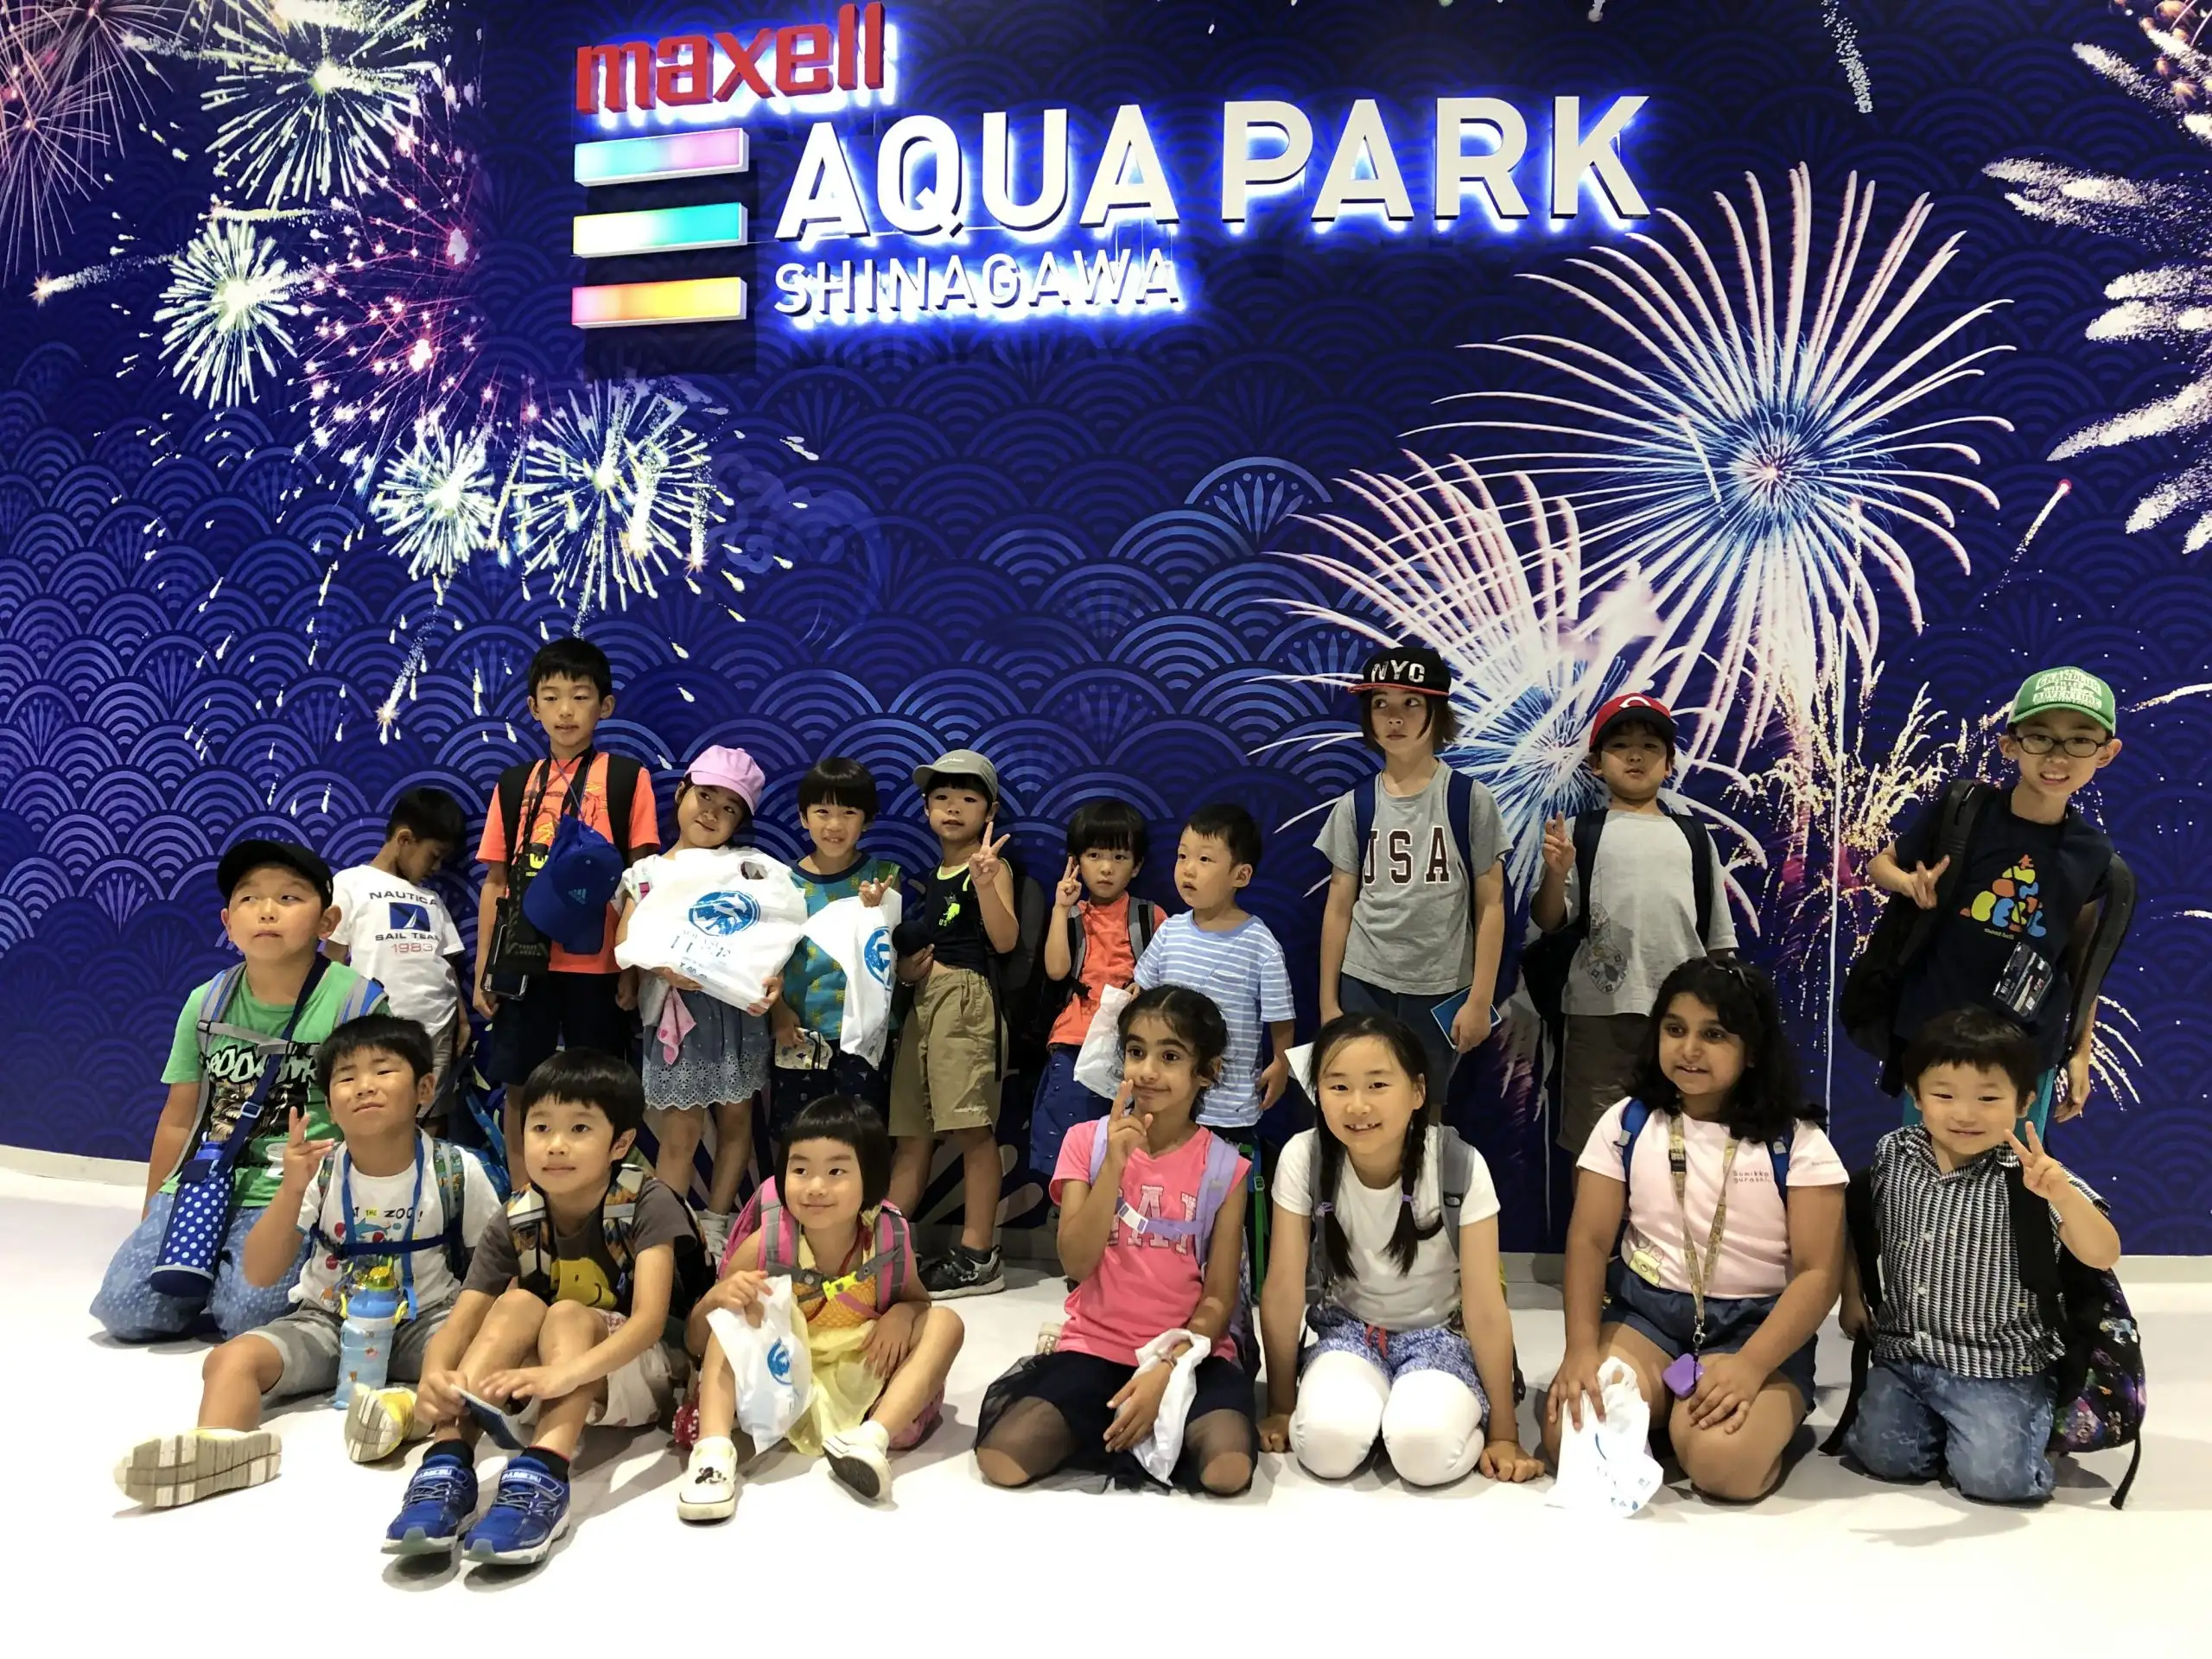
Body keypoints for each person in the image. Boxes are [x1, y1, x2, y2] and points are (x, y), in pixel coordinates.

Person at [112, 1015, 502, 1508]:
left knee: (477, 1363)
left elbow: (493, 1270)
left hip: (423, 1323)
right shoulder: (319, 1172)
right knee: (229, 1359)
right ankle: (221, 1445)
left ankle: (406, 1412)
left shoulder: (456, 1170)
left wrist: (475, 1336)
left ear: (425, 1087)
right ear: (331, 1107)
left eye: (383, 1072)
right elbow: (260, 1271)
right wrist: (293, 1186)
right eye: (346, 1077)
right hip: (325, 1321)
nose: (364, 1087)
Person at [381, 1050, 701, 1567]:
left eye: (579, 1128)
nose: (555, 1145)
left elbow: (647, 1324)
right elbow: (461, 1322)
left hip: (645, 1371)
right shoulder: (518, 1215)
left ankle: (546, 1471)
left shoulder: (646, 1201)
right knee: (516, 1303)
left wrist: (564, 1374)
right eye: (540, 1127)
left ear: (619, 1143)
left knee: (568, 1311)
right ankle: (447, 1461)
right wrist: (436, 1377)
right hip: (551, 1375)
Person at [1544, 957, 1845, 1503]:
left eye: (1714, 1035)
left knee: (1721, 1465)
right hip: (1647, 1318)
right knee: (1569, 1435)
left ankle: (1705, 1421)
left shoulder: (1797, 1142)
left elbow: (1819, 1275)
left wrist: (1753, 1366)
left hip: (1757, 1329)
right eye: (1675, 1029)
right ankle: (1665, 1410)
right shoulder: (1628, 1122)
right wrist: (1581, 1349)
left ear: (1751, 1050)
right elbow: (1588, 1242)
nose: (1689, 1049)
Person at [91, 838, 390, 1341]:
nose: (267, 911)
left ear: (327, 922)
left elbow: (377, 1122)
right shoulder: (205, 1002)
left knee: (250, 1320)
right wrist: (153, 1214)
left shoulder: (357, 1003)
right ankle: (212, 1272)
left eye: (290, 898)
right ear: (229, 922)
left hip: (294, 1189)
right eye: (250, 899)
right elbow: (180, 1118)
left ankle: (231, 1278)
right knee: (124, 1311)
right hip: (206, 1180)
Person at [974, 986, 1255, 1496]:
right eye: (1136, 1051)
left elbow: (1217, 1297)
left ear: (1206, 1071)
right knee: (1003, 1458)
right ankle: (1112, 1422)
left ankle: (1139, 1422)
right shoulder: (1088, 1141)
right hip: (1097, 1347)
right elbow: (1076, 1263)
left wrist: (1166, 1368)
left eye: (1170, 1056)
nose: (1147, 1070)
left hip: (1186, 1354)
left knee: (1228, 1470)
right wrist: (1115, 1166)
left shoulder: (1225, 1168)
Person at [1839, 1007, 2121, 1503]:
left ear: (2024, 1101)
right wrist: (1852, 1296)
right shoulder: (1895, 1154)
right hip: (1907, 1355)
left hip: (2000, 1366)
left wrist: (2061, 1196)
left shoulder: (2032, 1174)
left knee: (1998, 1483)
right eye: (1944, 1095)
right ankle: (1953, 1431)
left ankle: (2025, 1426)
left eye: (1988, 1098)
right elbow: (1857, 1229)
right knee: (1882, 1457)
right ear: (1916, 1097)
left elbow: (2103, 1253)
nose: (1964, 1114)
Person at [1259, 1012, 1540, 1487]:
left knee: (1423, 1452)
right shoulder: (1303, 1157)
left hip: (1441, 1336)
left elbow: (1485, 1306)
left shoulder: (1458, 1165)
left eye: (1378, 1085)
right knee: (1325, 1446)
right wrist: (1281, 1406)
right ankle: (1378, 1407)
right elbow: (1284, 1288)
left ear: (1417, 1092)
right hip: (1349, 1332)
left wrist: (1504, 1436)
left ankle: (1417, 1408)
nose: (1358, 1106)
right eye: (1339, 1086)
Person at [676, 1096, 965, 1518]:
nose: (815, 1186)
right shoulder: (767, 1243)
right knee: (735, 1316)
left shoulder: (887, 1237)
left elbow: (919, 1301)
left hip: (859, 1370)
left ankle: (870, 1440)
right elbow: (697, 1340)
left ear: (871, 1178)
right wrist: (716, 1301)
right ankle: (714, 1456)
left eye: (836, 1171)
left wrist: (905, 1314)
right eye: (800, 1169)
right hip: (782, 1381)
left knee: (947, 1322)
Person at [1868, 666, 2125, 1134]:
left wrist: (2080, 1052)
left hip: (2027, 1047)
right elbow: (1880, 863)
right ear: (2010, 745)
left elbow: (2082, 965)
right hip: (1938, 1037)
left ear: (2106, 753)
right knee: (1926, 1172)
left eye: (2080, 740)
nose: (2058, 756)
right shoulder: (1966, 810)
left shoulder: (2095, 855)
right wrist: (1907, 884)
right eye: (2040, 737)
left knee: (2017, 1180)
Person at [473, 638, 659, 1185]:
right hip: (524, 961)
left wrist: (632, 968)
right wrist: (486, 969)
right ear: (532, 708)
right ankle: (524, 1199)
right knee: (520, 1086)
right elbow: (496, 884)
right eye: (550, 698)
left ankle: (594, 1198)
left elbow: (642, 883)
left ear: (605, 706)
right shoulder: (514, 785)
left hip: (597, 966)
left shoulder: (626, 779)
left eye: (579, 697)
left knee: (598, 1089)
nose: (565, 711)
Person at [1531, 693, 1738, 1154]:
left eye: (1650, 746)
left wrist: (1719, 1013)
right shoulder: (1583, 831)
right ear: (1596, 764)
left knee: (1683, 1137)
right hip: (1596, 1016)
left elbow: (1719, 943)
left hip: (1683, 1019)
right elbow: (1549, 921)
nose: (1636, 755)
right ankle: (1595, 1227)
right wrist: (1556, 873)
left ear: (1669, 765)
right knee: (1595, 1144)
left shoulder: (1694, 836)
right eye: (1620, 745)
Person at [1316, 645, 1508, 1111]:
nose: (1394, 717)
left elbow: (1492, 905)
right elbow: (1339, 908)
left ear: (1437, 713)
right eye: (1380, 704)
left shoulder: (1469, 800)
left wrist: (1480, 999)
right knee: (1358, 1105)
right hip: (1364, 980)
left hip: (1442, 986)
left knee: (1426, 1109)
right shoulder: (1355, 805)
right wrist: (1328, 1004)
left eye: (1411, 703)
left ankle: (1417, 1188)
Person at [616, 744, 779, 1258]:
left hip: (736, 1011)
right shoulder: (644, 874)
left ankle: (715, 1222)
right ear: (682, 792)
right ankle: (666, 1234)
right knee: (679, 1130)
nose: (712, 813)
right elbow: (626, 945)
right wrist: (662, 967)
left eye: (729, 807)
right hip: (675, 1016)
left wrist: (772, 979)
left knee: (737, 1121)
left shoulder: (750, 869)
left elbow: (775, 929)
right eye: (704, 796)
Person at [1134, 801, 1294, 1282]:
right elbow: (1142, 996)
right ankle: (1161, 1266)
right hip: (1165, 1098)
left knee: (1223, 1191)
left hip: (1230, 1105)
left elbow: (1280, 1015)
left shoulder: (1259, 941)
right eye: (1183, 856)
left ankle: (1232, 1275)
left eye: (1205, 859)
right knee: (1166, 1182)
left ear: (1240, 874)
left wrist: (1281, 1063)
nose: (1188, 869)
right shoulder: (1170, 932)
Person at [886, 747, 1019, 1300]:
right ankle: (883, 1250)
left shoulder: (990, 866)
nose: (953, 808)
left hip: (966, 1002)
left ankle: (977, 1252)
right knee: (911, 1131)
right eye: (942, 797)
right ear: (925, 809)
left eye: (968, 798)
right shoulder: (932, 874)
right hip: (925, 1002)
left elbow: (1006, 939)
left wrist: (986, 882)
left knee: (971, 1128)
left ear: (989, 811)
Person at [1028, 796, 1163, 1181]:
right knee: (1070, 1149)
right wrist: (1059, 908)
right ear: (1076, 861)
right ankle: (1069, 1225)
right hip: (1074, 1040)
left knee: (1128, 1151)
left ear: (1136, 865)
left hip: (1132, 1047)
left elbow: (1166, 980)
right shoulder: (1071, 914)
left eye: (1120, 857)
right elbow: (1056, 971)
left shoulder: (1148, 915)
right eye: (1094, 855)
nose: (1106, 868)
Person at [772, 756, 902, 1130]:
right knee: (799, 1134)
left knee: (861, 1134)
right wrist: (777, 1012)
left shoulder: (885, 877)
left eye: (848, 812)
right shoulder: (782, 883)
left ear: (867, 820)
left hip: (865, 1034)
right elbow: (767, 959)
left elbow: (892, 954)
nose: (834, 825)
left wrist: (878, 911)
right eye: (822, 811)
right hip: (797, 1033)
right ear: (803, 817)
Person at [327, 787, 471, 1104]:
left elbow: (447, 964)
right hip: (379, 1026)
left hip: (438, 1025)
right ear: (404, 839)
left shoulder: (431, 899)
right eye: (434, 856)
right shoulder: (350, 883)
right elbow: (334, 959)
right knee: (379, 1106)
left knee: (431, 1109)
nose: (436, 869)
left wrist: (461, 1020)